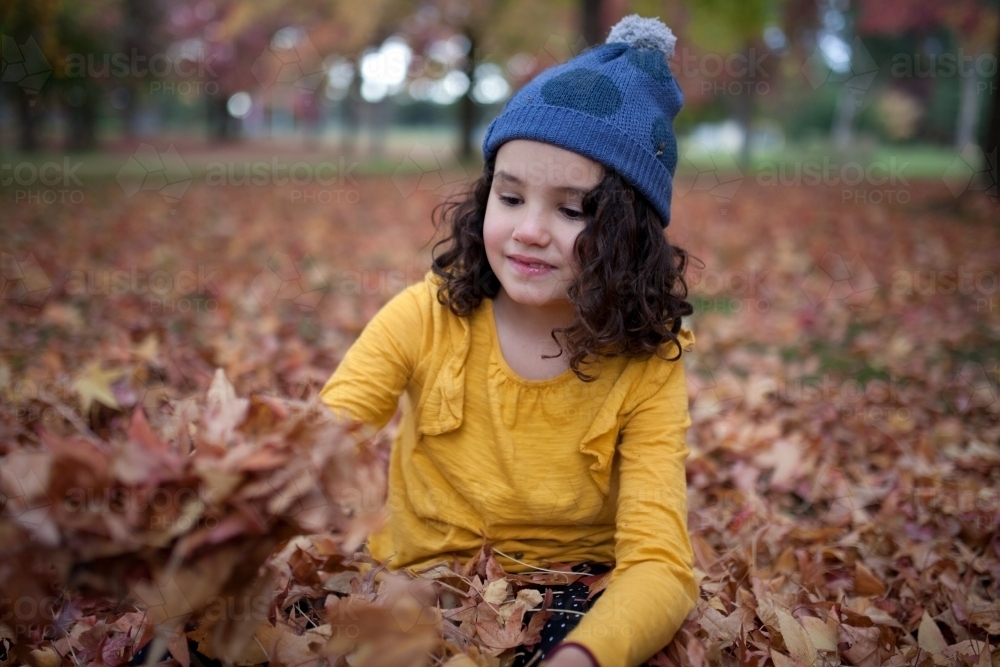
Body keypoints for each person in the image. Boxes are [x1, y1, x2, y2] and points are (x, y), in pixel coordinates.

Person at [319, 14, 698, 667]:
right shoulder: (423, 317)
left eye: (572, 209)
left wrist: (580, 657)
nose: (528, 229)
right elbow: (320, 439)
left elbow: (660, 564)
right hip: (418, 586)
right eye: (511, 196)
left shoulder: (646, 368)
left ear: (628, 235)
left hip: (566, 599)